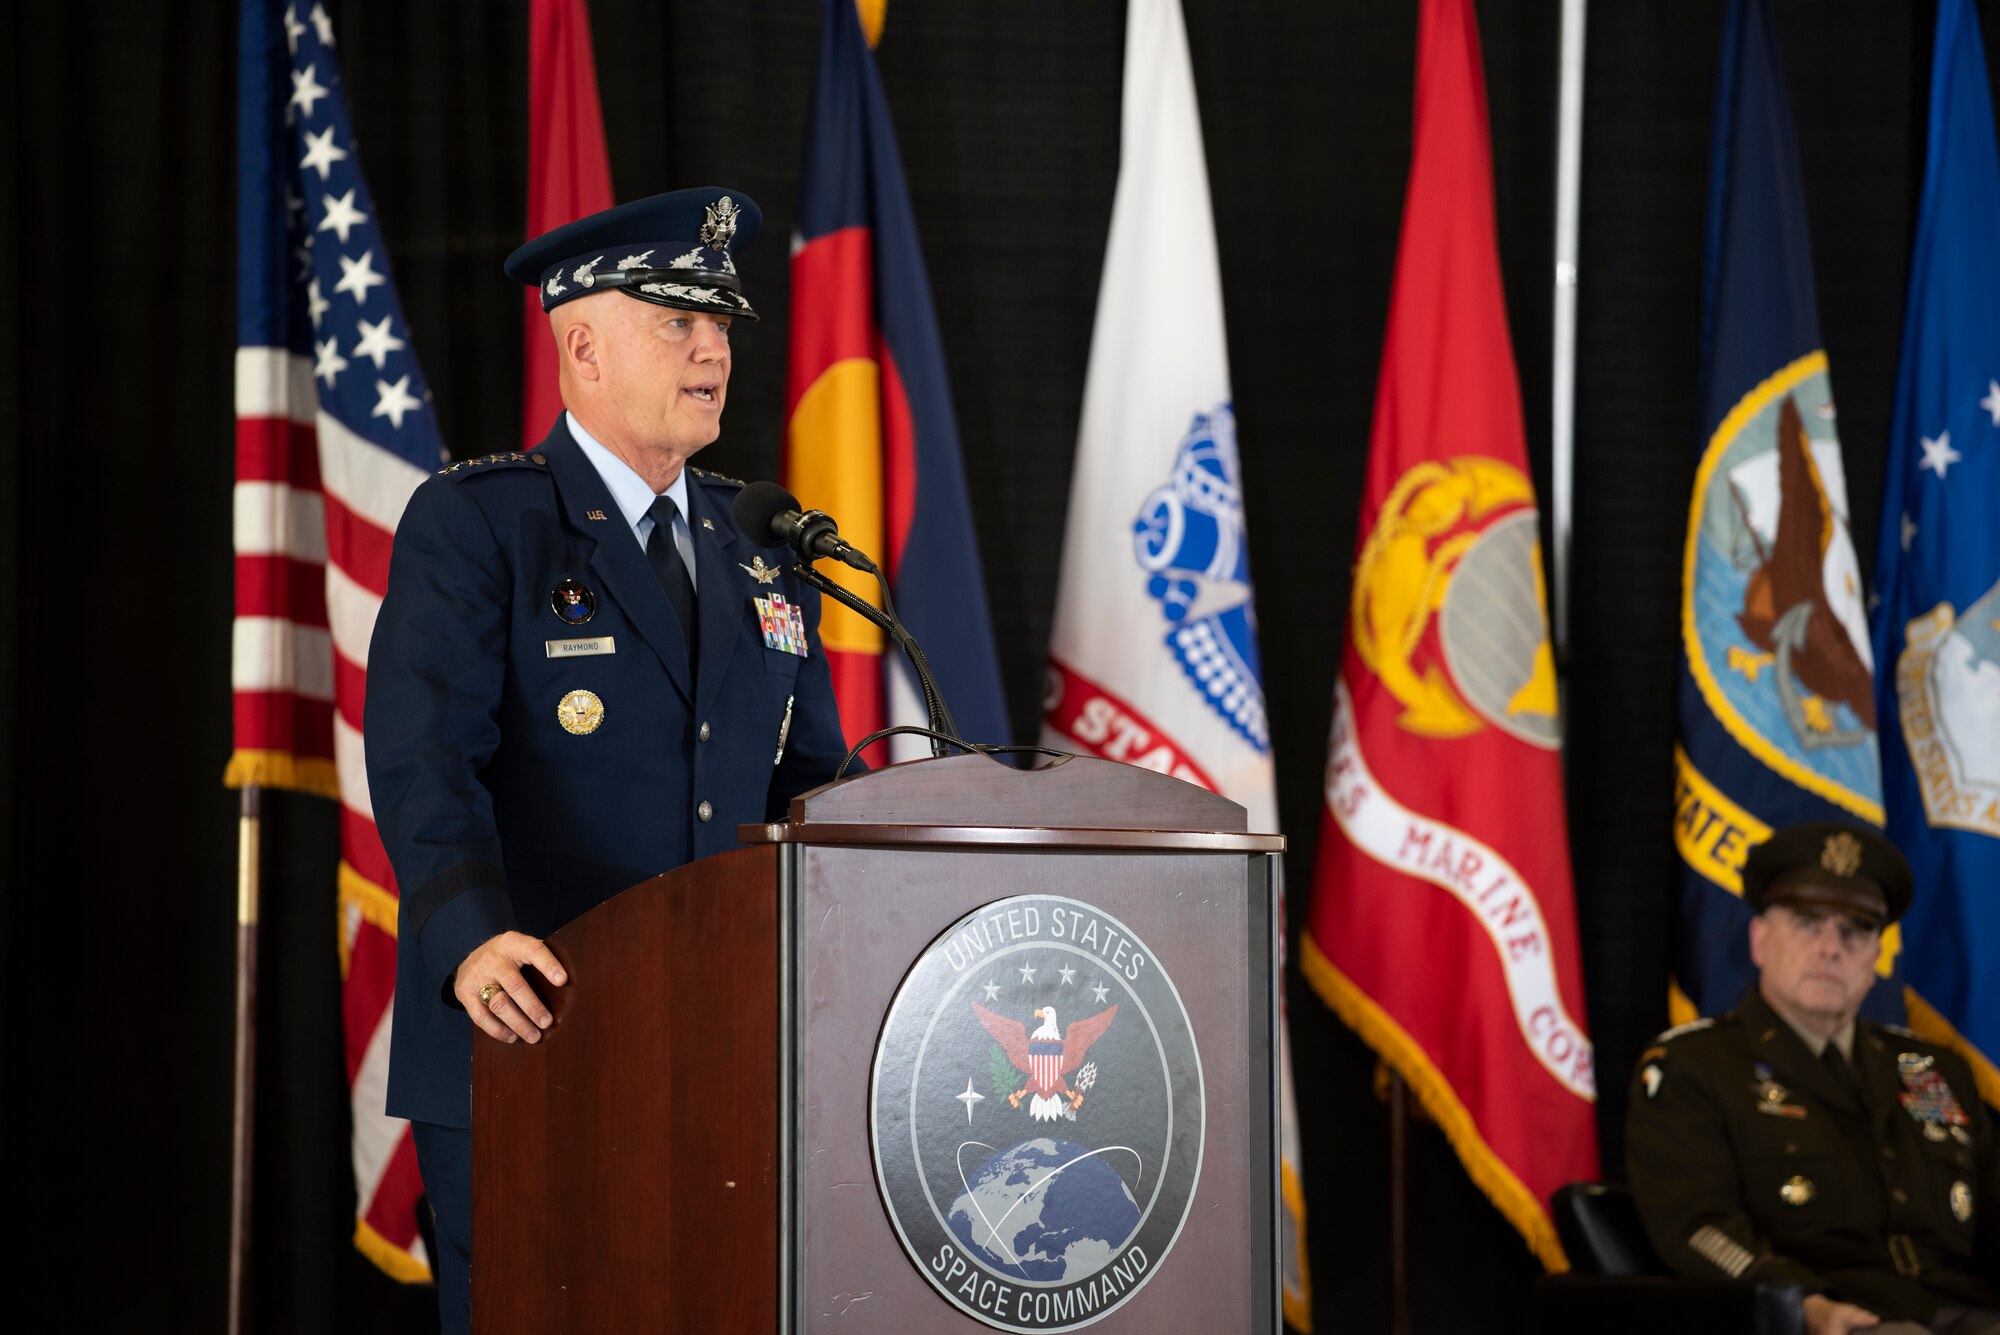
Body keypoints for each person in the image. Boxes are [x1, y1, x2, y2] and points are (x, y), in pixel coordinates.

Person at [363, 187, 852, 1333]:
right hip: (533, 1027)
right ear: (581, 341)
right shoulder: (482, 522)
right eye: (677, 321)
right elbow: (424, 755)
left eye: (722, 326)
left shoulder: (762, 542)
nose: (712, 349)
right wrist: (472, 935)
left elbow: (810, 780)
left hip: (723, 1044)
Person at [1627, 821, 1999, 1335]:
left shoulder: (1932, 1070)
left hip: (1964, 1312)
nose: (1831, 948)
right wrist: (1798, 1302)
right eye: (1807, 923)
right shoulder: (1694, 1067)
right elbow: (1698, 1227)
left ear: (1876, 957)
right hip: (1834, 1317)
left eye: (1856, 930)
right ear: (1759, 940)